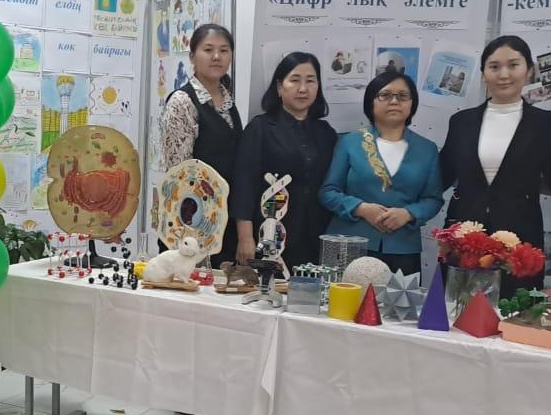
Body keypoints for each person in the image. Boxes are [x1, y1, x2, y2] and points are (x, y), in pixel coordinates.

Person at [439, 35, 551, 296]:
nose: (504, 74)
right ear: (483, 74)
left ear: (529, 71)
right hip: (466, 233)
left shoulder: (545, 123)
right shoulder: (461, 122)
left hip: (520, 237)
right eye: (494, 66)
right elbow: (441, 176)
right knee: (457, 308)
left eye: (513, 65)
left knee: (516, 311)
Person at [319, 71, 444, 275]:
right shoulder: (350, 142)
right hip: (350, 244)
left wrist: (409, 213)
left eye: (403, 96)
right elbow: (328, 192)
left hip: (403, 248)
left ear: (412, 104)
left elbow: (433, 199)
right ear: (371, 102)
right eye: (385, 95)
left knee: (401, 298)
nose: (394, 101)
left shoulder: (427, 149)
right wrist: (360, 208)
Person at [232, 52, 337, 270]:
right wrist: (245, 237)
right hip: (271, 234)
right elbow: (244, 185)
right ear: (280, 87)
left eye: (310, 81)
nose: (303, 89)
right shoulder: (260, 128)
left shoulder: (326, 132)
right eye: (295, 80)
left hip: (316, 236)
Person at [160, 23, 241, 267]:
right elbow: (179, 174)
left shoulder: (228, 101)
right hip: (192, 224)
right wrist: (191, 231)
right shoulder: (182, 102)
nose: (217, 57)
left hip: (223, 219)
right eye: (208, 50)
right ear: (192, 56)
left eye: (224, 50)